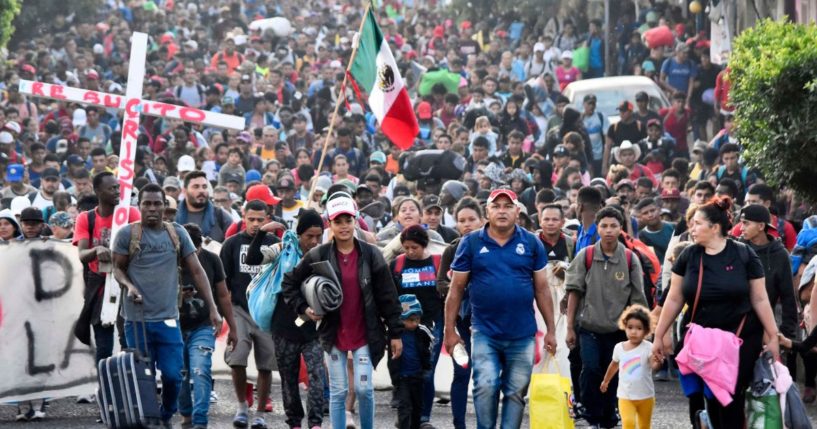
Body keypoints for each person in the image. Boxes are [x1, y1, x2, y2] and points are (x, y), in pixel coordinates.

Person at [652, 196, 780, 428]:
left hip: (740, 338)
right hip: (702, 340)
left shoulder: (744, 255)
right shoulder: (688, 256)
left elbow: (760, 298)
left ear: (715, 227)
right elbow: (674, 297)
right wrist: (660, 335)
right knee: (707, 399)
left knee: (729, 398)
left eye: (697, 223)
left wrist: (772, 336)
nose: (691, 227)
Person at [281, 193, 404, 429]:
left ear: (356, 220)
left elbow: (388, 297)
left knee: (364, 389)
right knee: (338, 392)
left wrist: (395, 333)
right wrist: (305, 309)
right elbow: (289, 284)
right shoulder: (318, 254)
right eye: (338, 221)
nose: (344, 226)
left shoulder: (371, 254)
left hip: (365, 333)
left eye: (348, 220)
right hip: (333, 333)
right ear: (330, 223)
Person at [112, 183, 225, 428]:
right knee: (145, 377)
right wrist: (129, 286)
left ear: (164, 205)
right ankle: (151, 421)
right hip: (136, 320)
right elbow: (117, 268)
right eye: (147, 203)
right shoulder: (127, 234)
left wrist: (213, 308)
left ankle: (166, 413)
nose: (152, 208)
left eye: (157, 203)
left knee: (174, 376)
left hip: (168, 319)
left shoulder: (177, 233)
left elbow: (197, 270)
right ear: (139, 206)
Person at [444, 189, 557, 429]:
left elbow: (543, 289)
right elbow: (455, 290)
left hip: (523, 334)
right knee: (485, 386)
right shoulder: (471, 242)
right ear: (487, 211)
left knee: (516, 393)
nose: (502, 211)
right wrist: (450, 330)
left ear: (518, 211)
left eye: (508, 206)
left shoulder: (531, 242)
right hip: (485, 332)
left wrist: (551, 330)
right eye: (496, 206)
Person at [566, 206, 648, 429]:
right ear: (597, 228)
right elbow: (574, 292)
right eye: (604, 226)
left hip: (618, 331)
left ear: (621, 228)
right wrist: (570, 327)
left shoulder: (630, 259)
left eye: (613, 225)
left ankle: (609, 416)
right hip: (589, 327)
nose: (609, 230)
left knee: (614, 373)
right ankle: (591, 415)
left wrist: (641, 334)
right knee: (591, 369)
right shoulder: (587, 255)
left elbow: (638, 301)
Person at [245, 209, 327, 429]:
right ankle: (294, 423)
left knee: (317, 376)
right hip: (285, 328)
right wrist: (262, 233)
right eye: (309, 236)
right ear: (299, 234)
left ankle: (316, 423)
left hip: (314, 329)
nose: (314, 241)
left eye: (318, 235)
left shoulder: (325, 254)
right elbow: (253, 258)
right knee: (289, 381)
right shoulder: (282, 250)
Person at [219, 199, 280, 429]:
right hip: (239, 309)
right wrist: (222, 314)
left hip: (265, 311)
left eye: (260, 220)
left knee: (266, 364)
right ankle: (242, 405)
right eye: (251, 219)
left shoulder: (275, 243)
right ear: (243, 217)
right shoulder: (232, 244)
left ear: (268, 219)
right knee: (237, 357)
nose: (255, 224)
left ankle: (261, 412)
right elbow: (222, 282)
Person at [73, 172, 140, 364]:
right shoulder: (86, 219)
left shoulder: (131, 214)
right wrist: (96, 250)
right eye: (111, 188)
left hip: (127, 281)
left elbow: (143, 246)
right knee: (103, 346)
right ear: (97, 192)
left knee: (128, 341)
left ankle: (133, 386)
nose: (117, 191)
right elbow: (82, 254)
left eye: (118, 187)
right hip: (99, 284)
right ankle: (105, 387)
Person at [178, 223, 238, 429]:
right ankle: (186, 415)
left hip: (203, 326)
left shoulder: (212, 260)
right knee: (179, 373)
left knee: (200, 369)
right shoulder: (168, 260)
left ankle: (200, 421)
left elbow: (223, 295)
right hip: (174, 326)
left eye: (195, 250)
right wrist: (178, 295)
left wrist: (233, 328)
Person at [436, 197, 484, 429]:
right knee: (462, 374)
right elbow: (441, 285)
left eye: (471, 219)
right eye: (462, 220)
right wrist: (458, 284)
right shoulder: (452, 250)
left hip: (489, 323)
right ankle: (459, 424)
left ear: (482, 220)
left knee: (487, 379)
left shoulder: (493, 247)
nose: (467, 224)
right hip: (461, 323)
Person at [389, 225, 443, 427]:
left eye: (415, 247)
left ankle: (423, 418)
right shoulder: (397, 265)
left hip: (431, 326)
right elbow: (390, 295)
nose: (410, 252)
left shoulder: (437, 263)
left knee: (426, 371)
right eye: (406, 247)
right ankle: (406, 413)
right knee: (404, 370)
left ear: (424, 245)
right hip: (403, 327)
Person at [737, 204, 798, 351]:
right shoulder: (737, 248)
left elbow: (788, 297)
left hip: (764, 327)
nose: (741, 227)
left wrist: (786, 334)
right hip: (735, 326)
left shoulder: (780, 255)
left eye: (746, 223)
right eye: (741, 222)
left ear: (761, 226)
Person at [599, 305, 658, 429]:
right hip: (625, 397)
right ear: (624, 327)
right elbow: (614, 365)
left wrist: (658, 361)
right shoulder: (619, 348)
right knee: (628, 424)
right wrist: (606, 380)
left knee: (644, 426)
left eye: (639, 328)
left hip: (646, 396)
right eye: (630, 327)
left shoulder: (648, 347)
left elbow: (654, 366)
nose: (633, 331)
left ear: (646, 331)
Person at [392, 294, 434, 429]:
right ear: (402, 318)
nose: (414, 323)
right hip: (402, 377)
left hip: (418, 375)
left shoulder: (422, 331)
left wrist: (426, 364)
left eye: (417, 319)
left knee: (417, 407)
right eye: (410, 320)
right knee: (404, 407)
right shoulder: (395, 334)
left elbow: (431, 344)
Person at [176, 171, 233, 242]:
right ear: (184, 191)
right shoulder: (173, 217)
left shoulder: (222, 217)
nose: (201, 190)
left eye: (204, 187)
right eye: (196, 187)